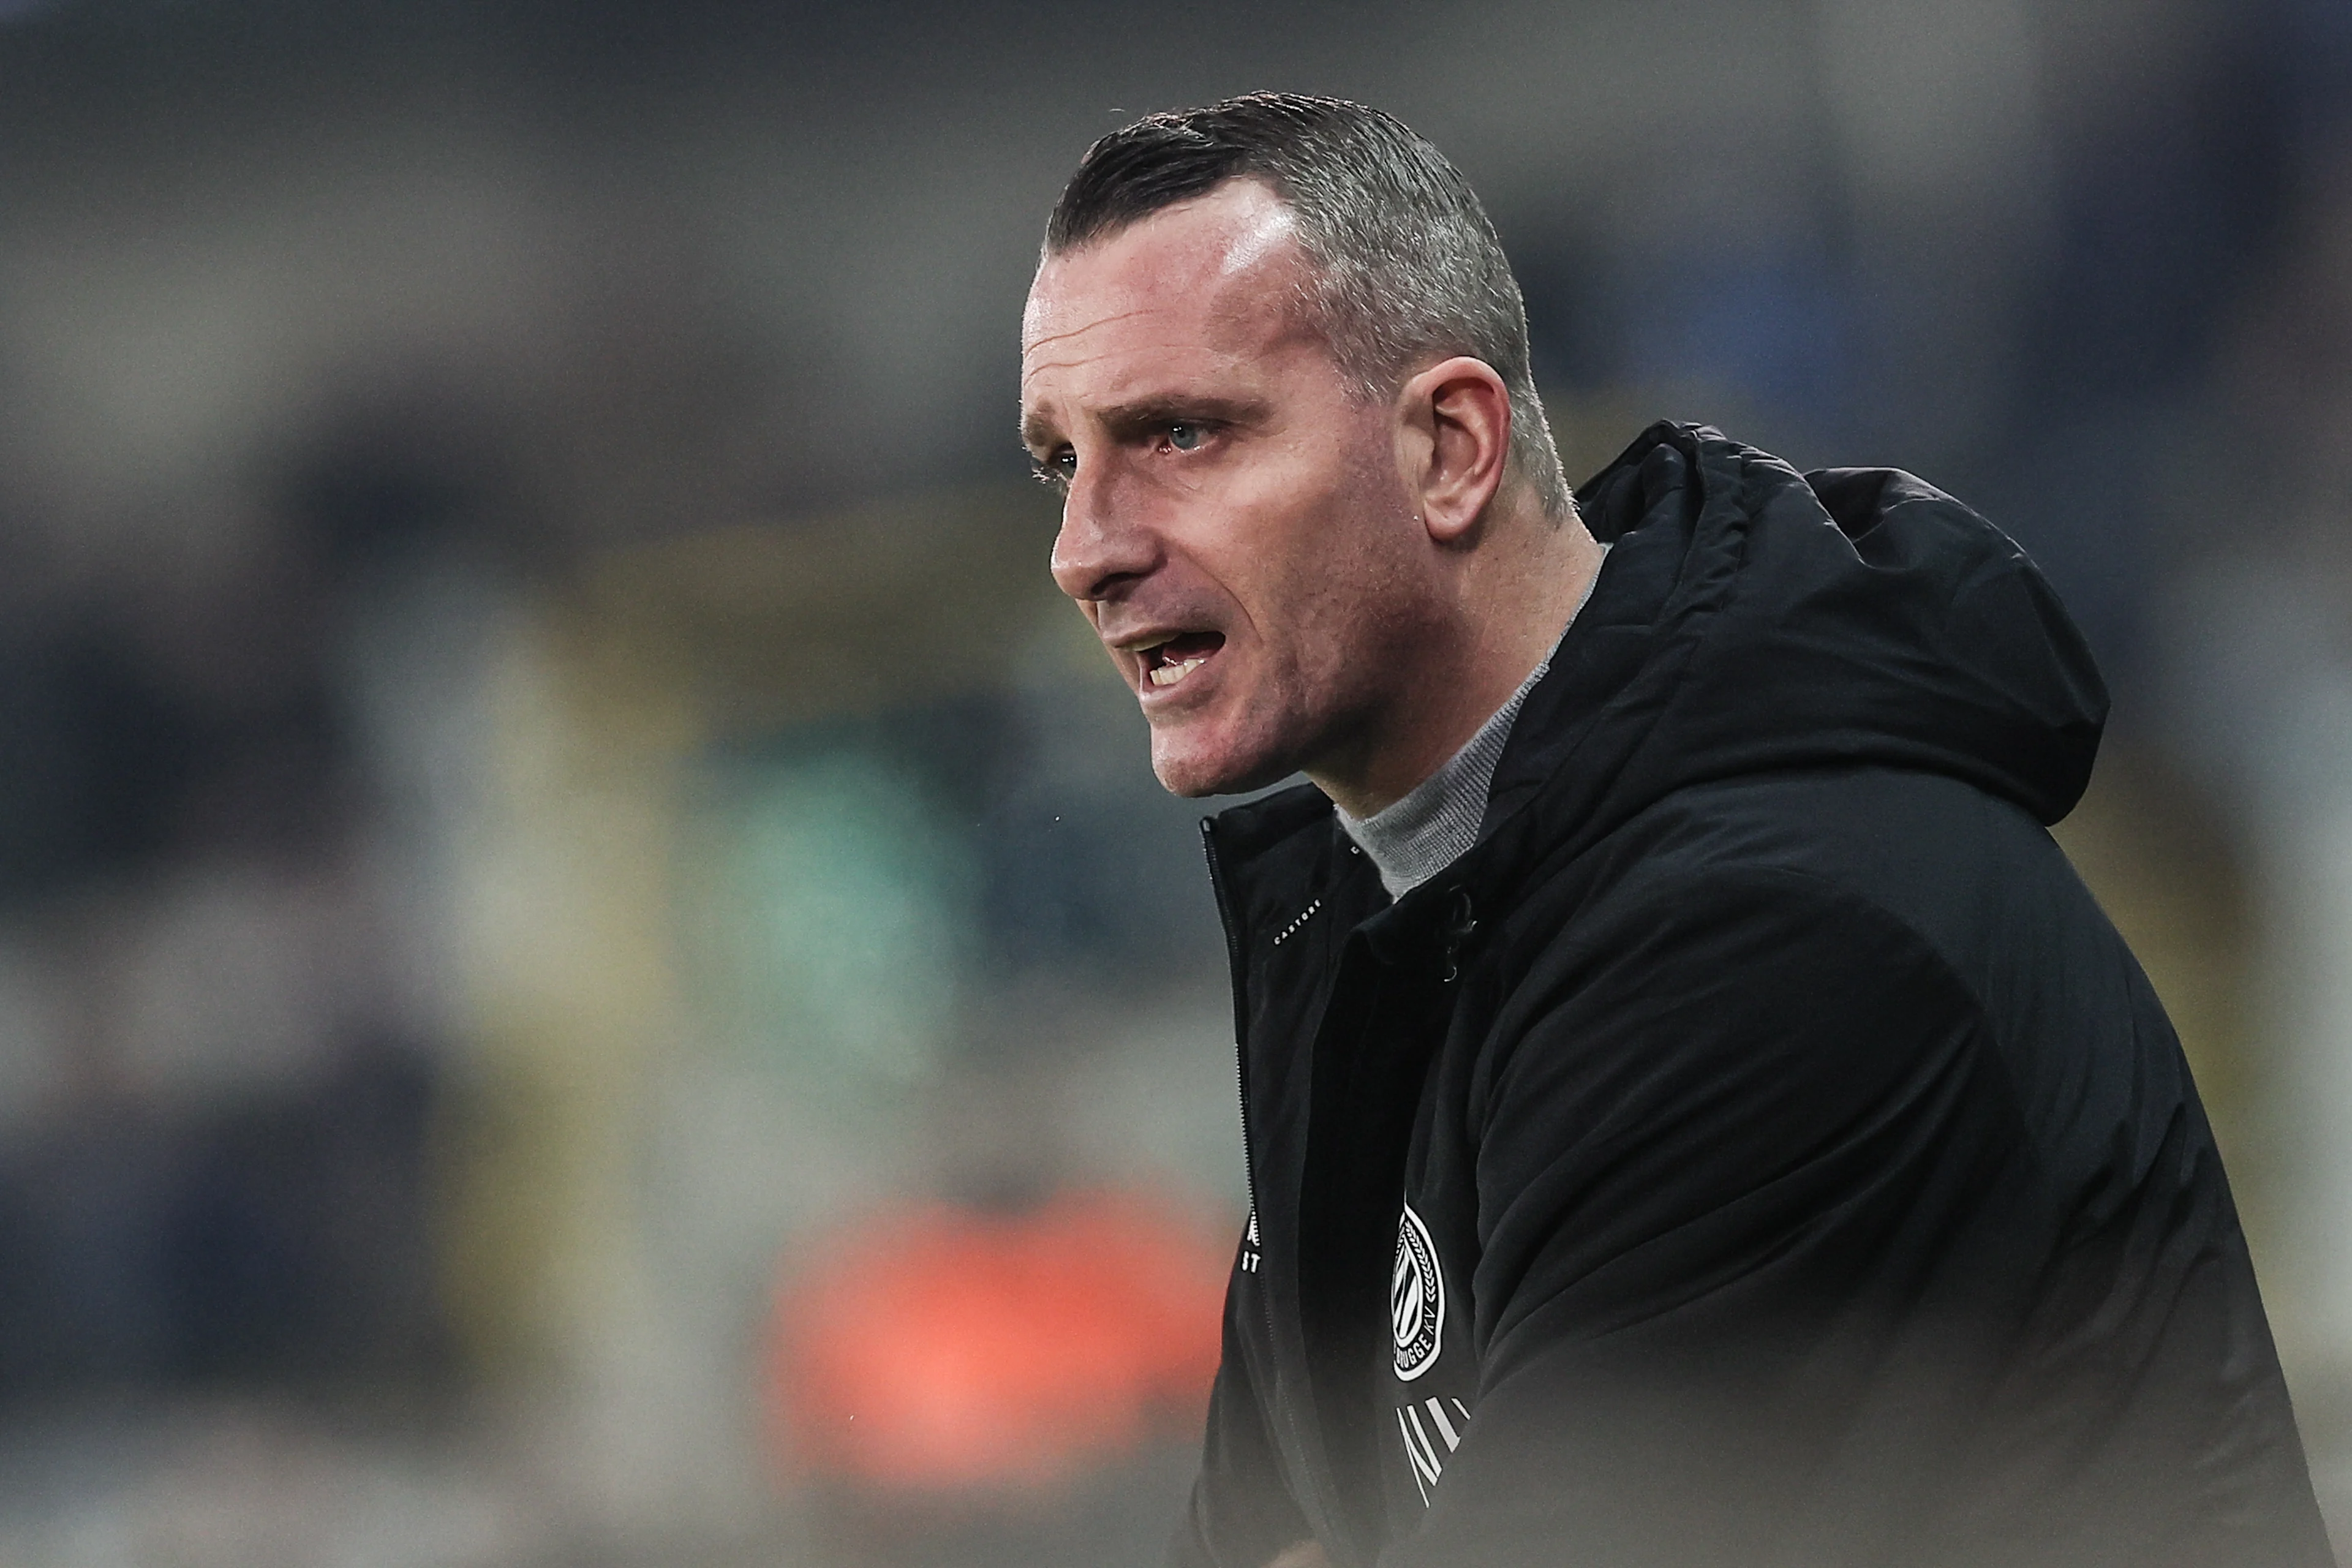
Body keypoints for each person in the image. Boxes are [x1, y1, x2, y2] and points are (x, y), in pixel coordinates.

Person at [1017, 93, 2334, 1568]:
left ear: (1451, 446)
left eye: (1181, 433)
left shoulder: (1782, 931)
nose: (1087, 548)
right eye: (1060, 464)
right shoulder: (1363, 910)